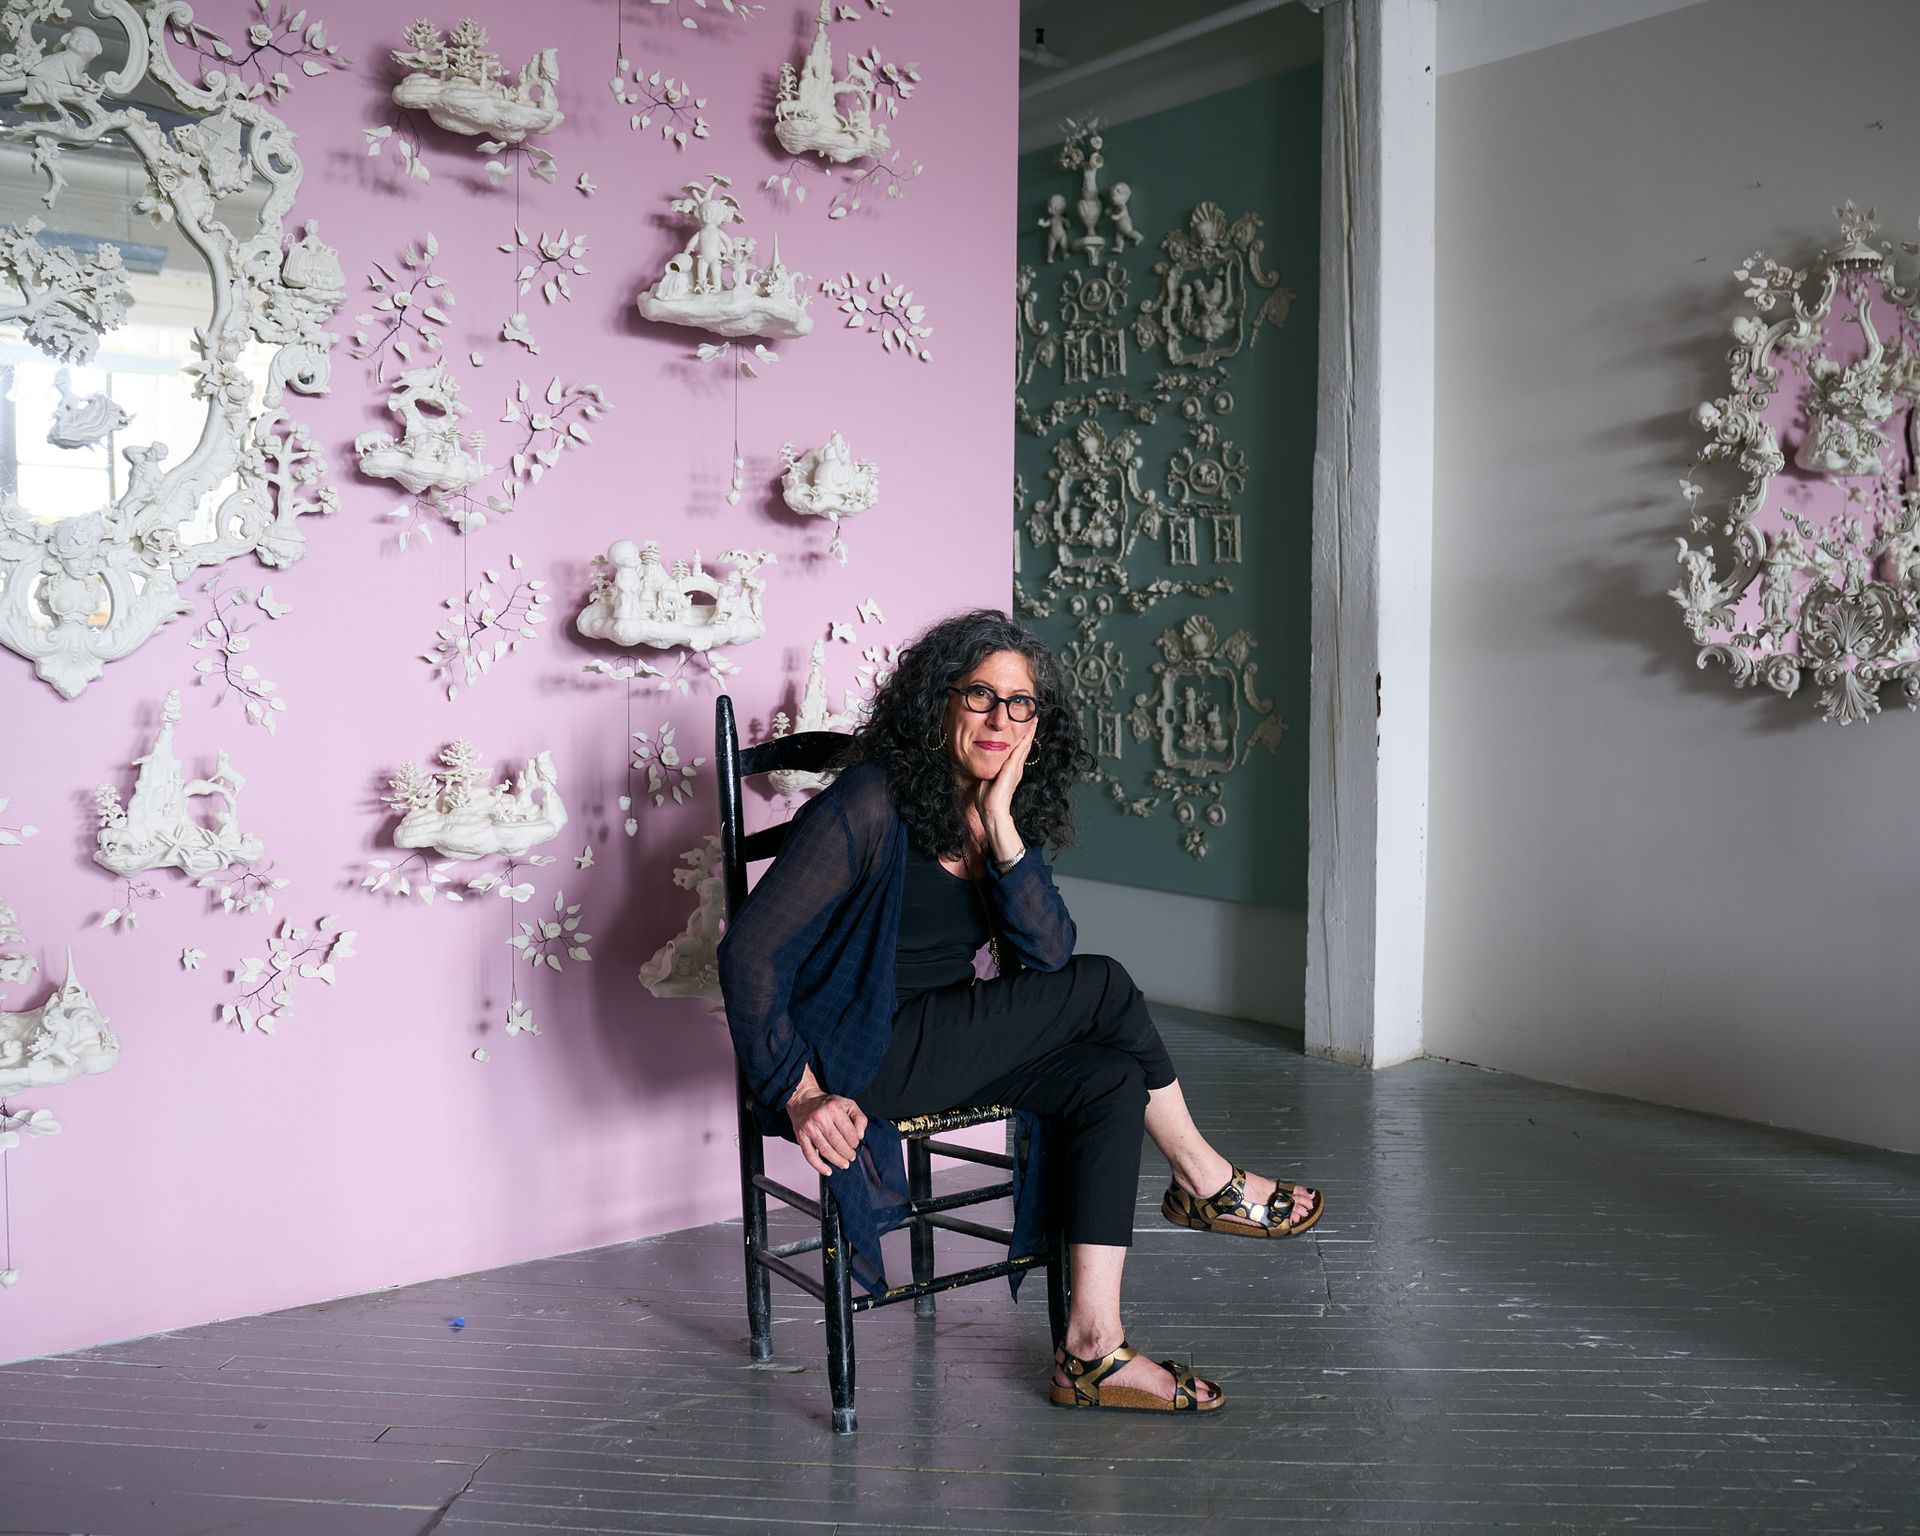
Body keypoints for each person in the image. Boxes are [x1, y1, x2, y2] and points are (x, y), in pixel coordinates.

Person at [717, 609, 1322, 1414]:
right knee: (1106, 985)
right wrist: (799, 1092)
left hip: (945, 1038)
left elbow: (1047, 956)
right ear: (938, 701)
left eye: (1020, 703)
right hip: (865, 1054)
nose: (999, 718)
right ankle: (1203, 1177)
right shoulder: (869, 801)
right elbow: (749, 954)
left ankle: (1091, 1349)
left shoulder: (1002, 807)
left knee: (1108, 1078)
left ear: (1039, 722)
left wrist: (1001, 824)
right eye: (979, 695)